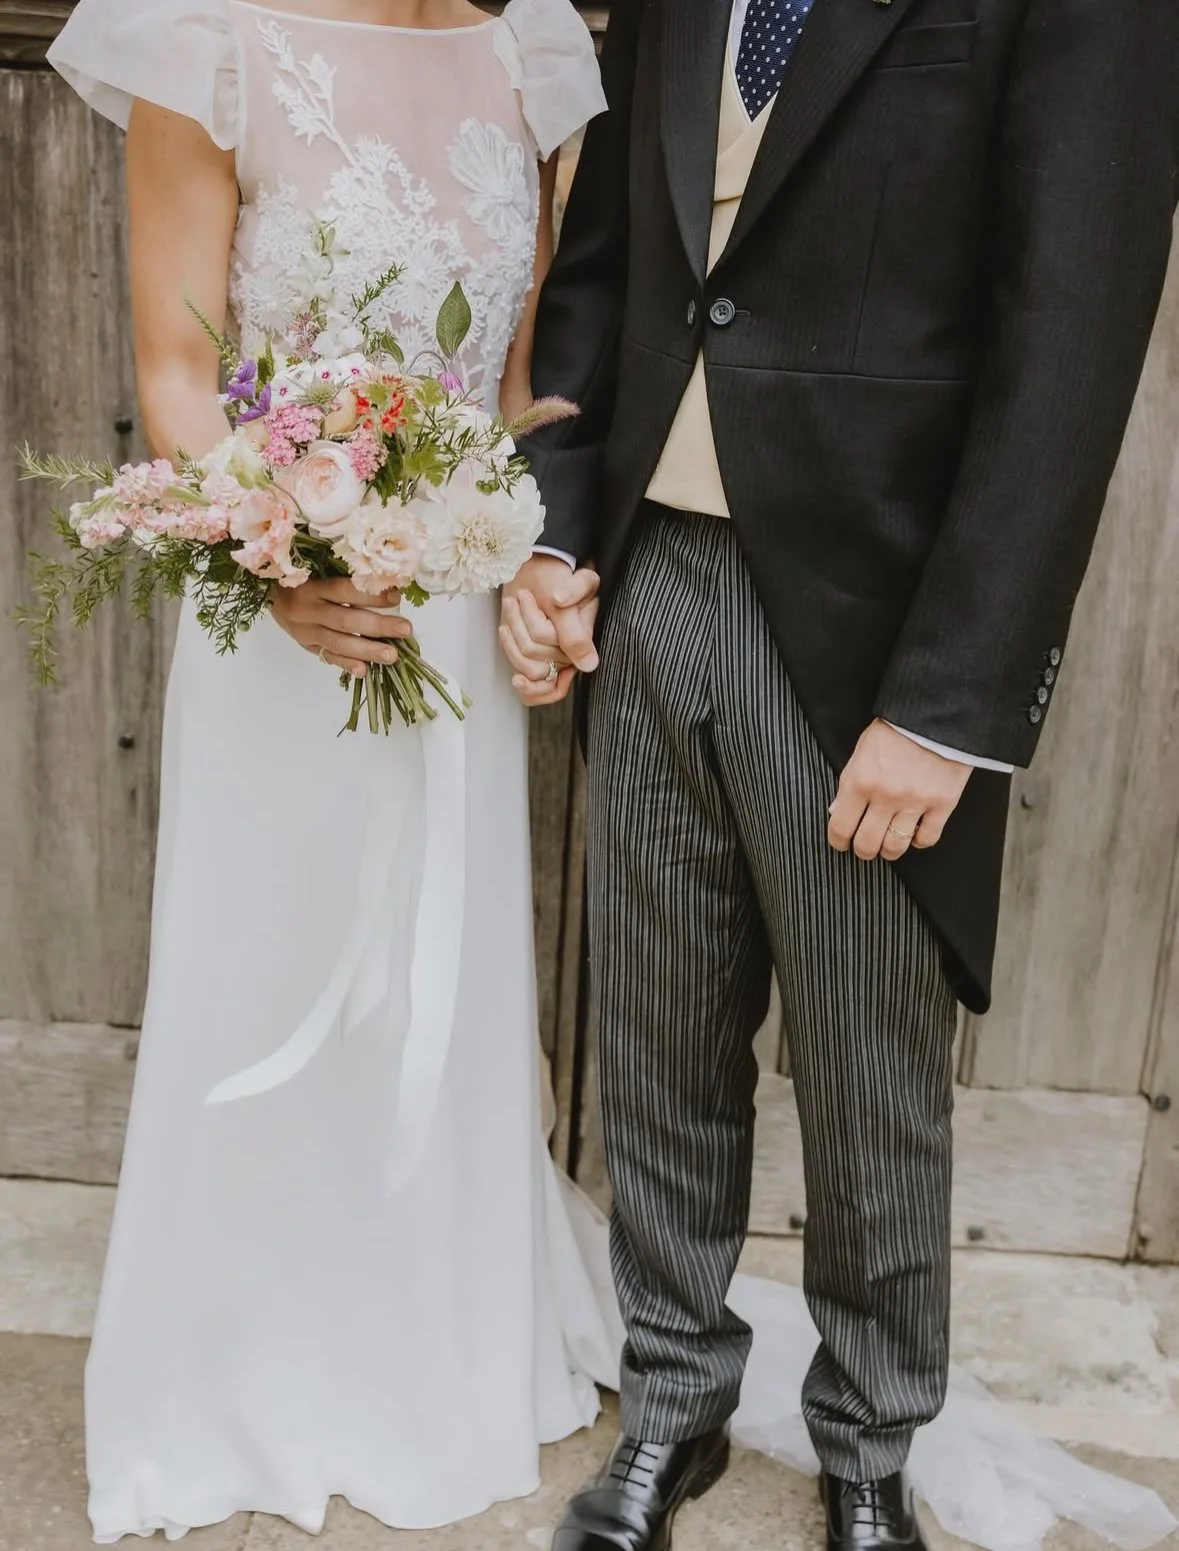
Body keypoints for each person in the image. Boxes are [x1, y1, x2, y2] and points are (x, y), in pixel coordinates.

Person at [502, 1, 1179, 1549]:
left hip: (872, 635)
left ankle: (869, 1444)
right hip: (644, 585)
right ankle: (671, 1402)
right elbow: (601, 265)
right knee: (657, 1046)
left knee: (872, 1076)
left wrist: (948, 703)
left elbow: (1070, 341)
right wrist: (551, 527)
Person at [47, 0, 614, 1539]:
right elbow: (180, 372)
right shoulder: (205, 41)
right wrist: (286, 557)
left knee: (436, 978)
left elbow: (520, 383)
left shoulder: (529, 47)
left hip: (456, 609)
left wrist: (533, 568)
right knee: (271, 964)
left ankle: (431, 1337)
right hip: (283, 614)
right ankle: (246, 1358)